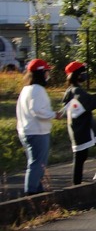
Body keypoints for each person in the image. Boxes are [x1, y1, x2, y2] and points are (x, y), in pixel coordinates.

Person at [61, 61, 96, 184]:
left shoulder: (71, 90)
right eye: (82, 72)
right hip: (83, 129)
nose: (85, 74)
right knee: (82, 157)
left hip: (81, 129)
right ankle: (78, 186)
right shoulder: (76, 91)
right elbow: (89, 102)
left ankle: (93, 176)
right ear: (76, 75)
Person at [16, 59, 62, 196]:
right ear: (41, 73)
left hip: (26, 130)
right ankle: (31, 192)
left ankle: (38, 189)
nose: (48, 74)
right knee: (37, 162)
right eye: (47, 71)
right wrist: (54, 114)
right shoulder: (38, 89)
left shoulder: (26, 89)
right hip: (37, 131)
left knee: (36, 161)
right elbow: (37, 110)